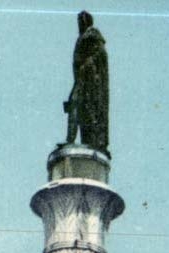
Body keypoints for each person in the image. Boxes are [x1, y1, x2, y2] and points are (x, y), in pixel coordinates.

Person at [64, 11, 109, 153]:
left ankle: (93, 142)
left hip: (90, 82)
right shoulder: (81, 37)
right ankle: (70, 140)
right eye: (78, 20)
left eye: (80, 20)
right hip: (81, 80)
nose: (79, 23)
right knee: (75, 106)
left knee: (89, 111)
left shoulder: (92, 34)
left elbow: (101, 53)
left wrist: (88, 63)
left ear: (86, 20)